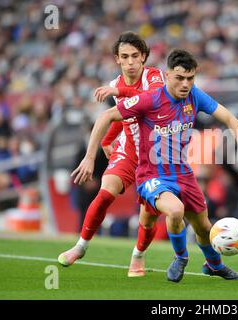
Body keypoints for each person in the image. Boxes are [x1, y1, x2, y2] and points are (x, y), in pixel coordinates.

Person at [72, 49, 238, 282]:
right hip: (152, 175)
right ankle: (180, 257)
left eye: (190, 78)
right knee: (175, 210)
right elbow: (106, 116)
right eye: (180, 78)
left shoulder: (196, 97)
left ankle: (214, 265)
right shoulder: (149, 99)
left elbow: (230, 118)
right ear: (168, 75)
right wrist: (90, 156)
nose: (185, 84)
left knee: (204, 227)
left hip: (183, 173)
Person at [58, 32, 165, 278]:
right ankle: (80, 246)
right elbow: (123, 115)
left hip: (155, 157)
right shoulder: (116, 84)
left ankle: (138, 255)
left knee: (147, 218)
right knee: (105, 191)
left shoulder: (154, 77)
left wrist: (117, 90)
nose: (130, 62)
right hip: (128, 151)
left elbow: (146, 101)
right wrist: (103, 144)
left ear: (144, 57)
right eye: (124, 56)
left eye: (135, 56)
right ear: (117, 59)